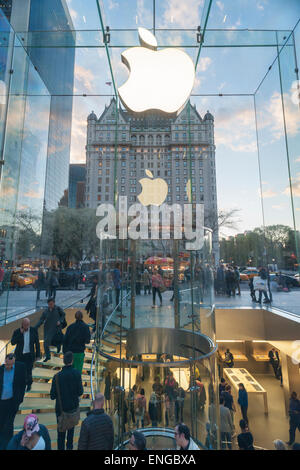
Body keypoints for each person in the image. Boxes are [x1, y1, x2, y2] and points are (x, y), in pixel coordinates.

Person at [50, 351, 83, 450]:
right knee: (70, 435)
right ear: (72, 361)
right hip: (72, 409)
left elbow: (52, 396)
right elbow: (80, 392)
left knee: (60, 436)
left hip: (61, 410)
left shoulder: (57, 377)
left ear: (63, 361)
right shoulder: (77, 374)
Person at [0, 353, 26, 450]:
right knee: (1, 425)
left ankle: (8, 446)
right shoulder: (1, 369)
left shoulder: (20, 368)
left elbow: (23, 384)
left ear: (14, 361)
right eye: (7, 364)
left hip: (12, 402)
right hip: (1, 402)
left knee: (9, 426)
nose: (8, 366)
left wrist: (19, 400)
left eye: (10, 364)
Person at [11, 317, 41, 391]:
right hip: (20, 356)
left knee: (29, 371)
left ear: (29, 324)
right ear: (22, 324)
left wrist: (38, 355)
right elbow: (12, 342)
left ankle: (29, 385)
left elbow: (37, 343)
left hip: (29, 355)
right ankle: (21, 385)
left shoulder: (34, 330)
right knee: (20, 372)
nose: (26, 326)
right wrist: (20, 334)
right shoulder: (17, 331)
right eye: (25, 325)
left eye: (28, 325)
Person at [35, 297, 66, 362]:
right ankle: (48, 356)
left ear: (54, 303)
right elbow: (41, 319)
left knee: (56, 340)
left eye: (51, 304)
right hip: (48, 329)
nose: (50, 305)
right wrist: (36, 327)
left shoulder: (58, 309)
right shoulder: (46, 311)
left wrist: (60, 321)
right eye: (49, 304)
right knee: (46, 343)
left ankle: (58, 346)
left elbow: (63, 314)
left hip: (56, 328)